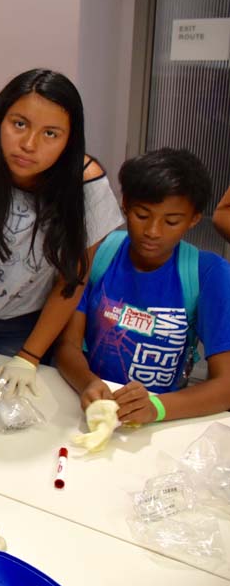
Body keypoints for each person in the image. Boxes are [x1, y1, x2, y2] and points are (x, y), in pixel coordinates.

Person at [0, 69, 123, 397]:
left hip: (21, 327)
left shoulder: (87, 185)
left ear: (69, 140)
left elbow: (72, 280)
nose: (29, 144)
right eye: (19, 124)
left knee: (11, 415)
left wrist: (29, 356)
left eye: (51, 133)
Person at [55, 148, 230, 423]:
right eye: (142, 215)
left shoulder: (207, 273)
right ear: (125, 204)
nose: (153, 231)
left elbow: (225, 387)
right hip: (87, 406)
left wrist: (157, 408)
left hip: (163, 417)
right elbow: (67, 346)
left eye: (171, 221)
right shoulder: (98, 255)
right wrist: (88, 383)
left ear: (194, 218)